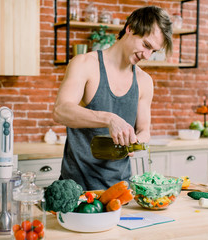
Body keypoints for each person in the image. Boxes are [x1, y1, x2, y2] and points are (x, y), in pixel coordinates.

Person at [52, 6, 173, 190]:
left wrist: (136, 142)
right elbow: (60, 111)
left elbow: (144, 130)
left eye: (153, 51)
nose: (147, 56)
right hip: (77, 190)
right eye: (146, 45)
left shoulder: (144, 81)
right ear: (130, 28)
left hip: (121, 190)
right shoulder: (85, 64)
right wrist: (109, 119)